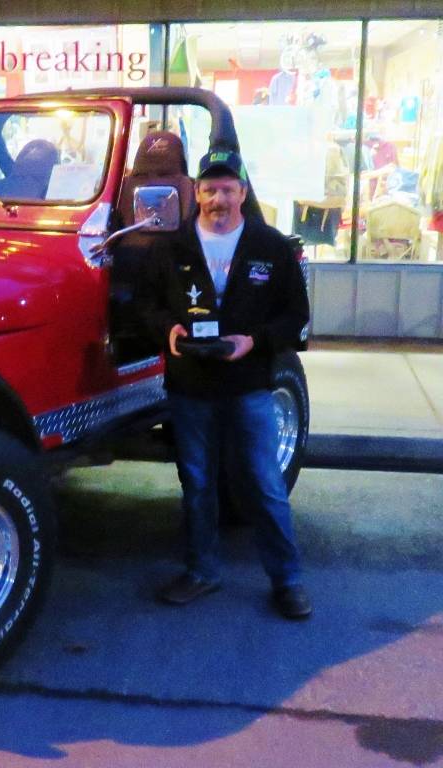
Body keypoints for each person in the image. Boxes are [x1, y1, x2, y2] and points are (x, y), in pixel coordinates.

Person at [139, 148, 313, 620]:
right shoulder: (170, 248)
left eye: (228, 189)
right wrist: (168, 332)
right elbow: (147, 305)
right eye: (210, 188)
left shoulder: (271, 248)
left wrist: (252, 342)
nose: (219, 198)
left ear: (244, 192)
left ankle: (288, 581)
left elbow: (295, 316)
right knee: (196, 483)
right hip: (189, 386)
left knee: (264, 483)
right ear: (196, 193)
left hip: (247, 385)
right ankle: (202, 571)